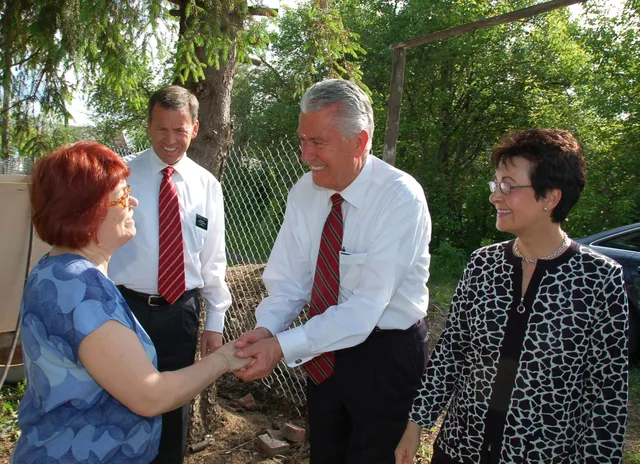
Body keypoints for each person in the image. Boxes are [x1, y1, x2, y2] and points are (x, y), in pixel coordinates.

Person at [395, 129, 628, 464]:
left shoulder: (599, 279)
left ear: (550, 197)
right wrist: (416, 424)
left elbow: (606, 396)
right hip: (461, 450)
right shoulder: (483, 264)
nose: (495, 196)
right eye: (495, 184)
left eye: (508, 185)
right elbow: (451, 352)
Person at [233, 79, 432, 463]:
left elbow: (364, 310)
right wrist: (265, 330)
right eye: (302, 140)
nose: (305, 155)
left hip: (385, 357)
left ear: (359, 141)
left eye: (317, 142)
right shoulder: (304, 192)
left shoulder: (399, 198)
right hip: (324, 352)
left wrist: (280, 346)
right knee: (326, 454)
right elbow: (289, 282)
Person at [13, 142, 249, 464]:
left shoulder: (57, 270)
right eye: (123, 196)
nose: (133, 202)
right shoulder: (81, 290)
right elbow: (150, 395)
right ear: (90, 212)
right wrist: (223, 360)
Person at [108, 85, 231, 463]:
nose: (171, 139)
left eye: (180, 130)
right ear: (148, 126)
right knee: (118, 398)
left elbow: (213, 257)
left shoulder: (207, 185)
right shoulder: (120, 174)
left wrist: (216, 319)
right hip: (123, 309)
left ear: (195, 129)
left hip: (180, 311)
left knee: (174, 405)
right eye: (162, 129)